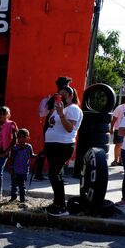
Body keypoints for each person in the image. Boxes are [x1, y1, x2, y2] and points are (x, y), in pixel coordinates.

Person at [44, 85, 83, 216]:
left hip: (63, 146)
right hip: (52, 145)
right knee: (57, 174)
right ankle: (57, 202)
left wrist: (61, 114)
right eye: (58, 95)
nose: (59, 97)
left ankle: (61, 206)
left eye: (63, 95)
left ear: (71, 96)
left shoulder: (73, 109)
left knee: (53, 174)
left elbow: (69, 128)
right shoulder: (59, 108)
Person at [0, 106, 17, 202]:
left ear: (8, 115)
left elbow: (14, 140)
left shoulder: (11, 124)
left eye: (4, 114)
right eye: (0, 114)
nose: (2, 116)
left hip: (4, 151)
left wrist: (6, 151)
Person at [9, 128, 35, 203]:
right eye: (19, 137)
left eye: (24, 137)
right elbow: (11, 158)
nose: (21, 139)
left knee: (22, 186)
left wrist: (39, 156)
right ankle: (13, 198)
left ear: (27, 137)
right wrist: (11, 168)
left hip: (24, 171)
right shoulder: (14, 147)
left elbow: (31, 156)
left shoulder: (28, 147)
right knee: (14, 186)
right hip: (15, 170)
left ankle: (22, 200)